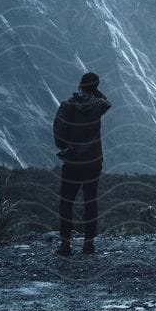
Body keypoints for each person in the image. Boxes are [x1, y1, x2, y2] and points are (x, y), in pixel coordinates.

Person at [52, 71, 111, 255]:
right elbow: (107, 102)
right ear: (95, 88)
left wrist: (65, 146)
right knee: (90, 202)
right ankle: (88, 244)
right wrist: (95, 91)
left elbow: (58, 133)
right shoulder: (98, 105)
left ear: (80, 85)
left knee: (66, 203)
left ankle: (65, 245)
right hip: (93, 161)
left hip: (72, 161)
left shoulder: (67, 105)